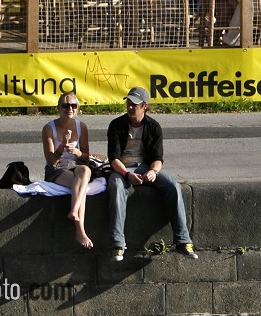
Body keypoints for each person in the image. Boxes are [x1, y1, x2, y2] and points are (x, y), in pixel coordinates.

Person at [104, 87, 196, 263]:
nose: (130, 107)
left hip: (145, 167)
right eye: (128, 103)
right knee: (115, 187)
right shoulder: (116, 125)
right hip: (121, 168)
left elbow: (158, 159)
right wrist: (126, 174)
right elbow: (113, 158)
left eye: (135, 104)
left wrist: (153, 172)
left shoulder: (153, 127)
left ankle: (183, 241)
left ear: (145, 106)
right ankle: (117, 244)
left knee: (172, 185)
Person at [41, 90, 101, 249]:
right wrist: (62, 145)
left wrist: (78, 153)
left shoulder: (82, 127)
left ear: (78, 108)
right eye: (66, 105)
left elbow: (86, 158)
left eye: (73, 105)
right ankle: (80, 231)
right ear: (58, 108)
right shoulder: (49, 129)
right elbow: (51, 160)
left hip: (76, 166)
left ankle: (74, 210)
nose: (70, 109)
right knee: (80, 187)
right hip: (57, 168)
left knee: (85, 172)